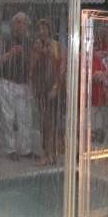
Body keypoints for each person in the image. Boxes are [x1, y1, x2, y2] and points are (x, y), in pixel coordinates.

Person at [0, 12, 41, 161]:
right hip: (6, 81)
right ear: (13, 25)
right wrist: (10, 53)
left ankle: (25, 149)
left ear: (27, 26)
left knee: (25, 117)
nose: (21, 26)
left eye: (23, 23)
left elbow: (33, 64)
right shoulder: (4, 40)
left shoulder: (30, 41)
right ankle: (10, 149)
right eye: (18, 23)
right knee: (8, 117)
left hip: (24, 83)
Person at [31, 18, 65, 164]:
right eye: (39, 29)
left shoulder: (57, 45)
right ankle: (46, 152)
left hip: (54, 87)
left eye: (44, 29)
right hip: (41, 88)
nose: (42, 32)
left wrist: (57, 87)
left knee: (54, 122)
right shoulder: (36, 46)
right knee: (45, 122)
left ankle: (54, 153)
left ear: (50, 31)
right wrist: (38, 53)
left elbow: (62, 69)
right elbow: (31, 68)